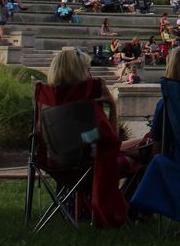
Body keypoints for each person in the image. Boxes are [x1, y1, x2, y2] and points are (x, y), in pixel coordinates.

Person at [46, 47, 127, 227]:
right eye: (87, 69)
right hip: (90, 164)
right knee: (144, 151)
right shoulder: (85, 104)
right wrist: (112, 106)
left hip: (56, 163)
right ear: (80, 72)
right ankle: (131, 210)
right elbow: (111, 142)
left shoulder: (48, 99)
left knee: (139, 143)